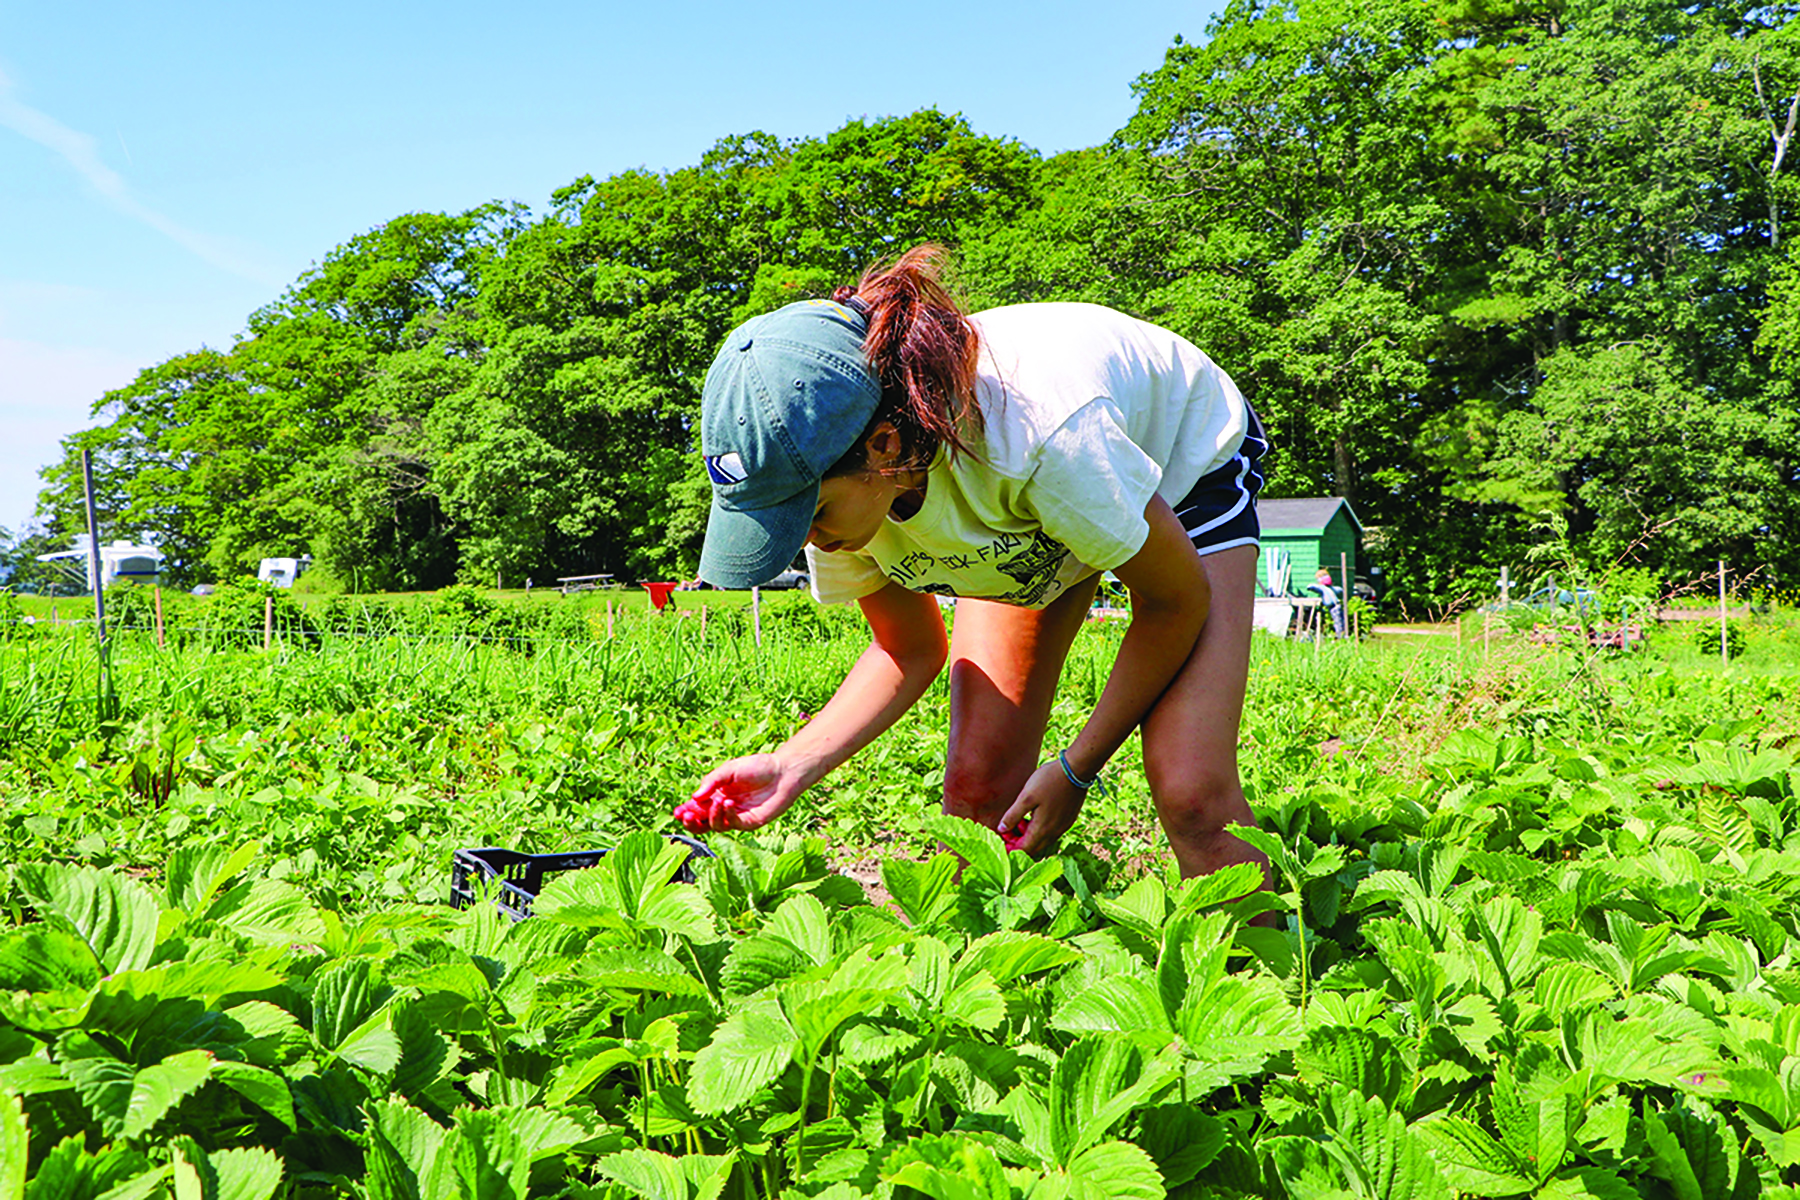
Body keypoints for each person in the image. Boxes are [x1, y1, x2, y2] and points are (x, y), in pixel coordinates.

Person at [676, 245, 1270, 880]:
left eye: (812, 515)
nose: (809, 542)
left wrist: (1074, 769)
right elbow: (906, 650)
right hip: (1032, 509)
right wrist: (796, 761)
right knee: (977, 794)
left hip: (1175, 468)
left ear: (885, 447)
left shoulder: (1040, 438)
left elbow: (1174, 602)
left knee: (1192, 795)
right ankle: (984, 973)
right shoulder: (846, 486)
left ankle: (1278, 978)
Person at [1310, 567, 1345, 637]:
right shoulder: (1326, 588)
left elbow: (1314, 587)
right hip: (1335, 605)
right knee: (1339, 619)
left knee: (1338, 620)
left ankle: (1340, 634)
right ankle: (1341, 633)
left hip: (1334, 606)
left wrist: (1311, 587)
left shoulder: (1324, 588)